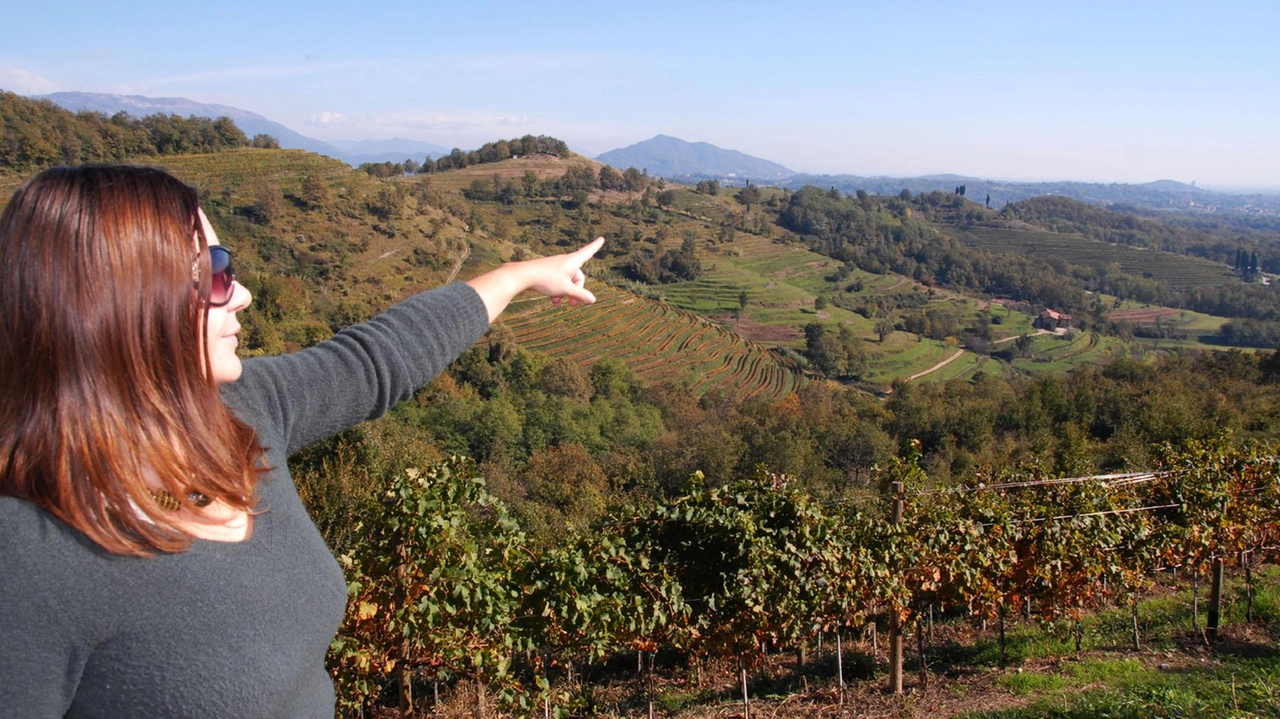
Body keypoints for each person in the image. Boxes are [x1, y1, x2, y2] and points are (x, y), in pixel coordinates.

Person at [0, 164, 603, 717]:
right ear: (120, 305)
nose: (240, 294)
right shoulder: (27, 554)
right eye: (212, 274)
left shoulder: (239, 413)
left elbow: (375, 361)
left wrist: (516, 277)